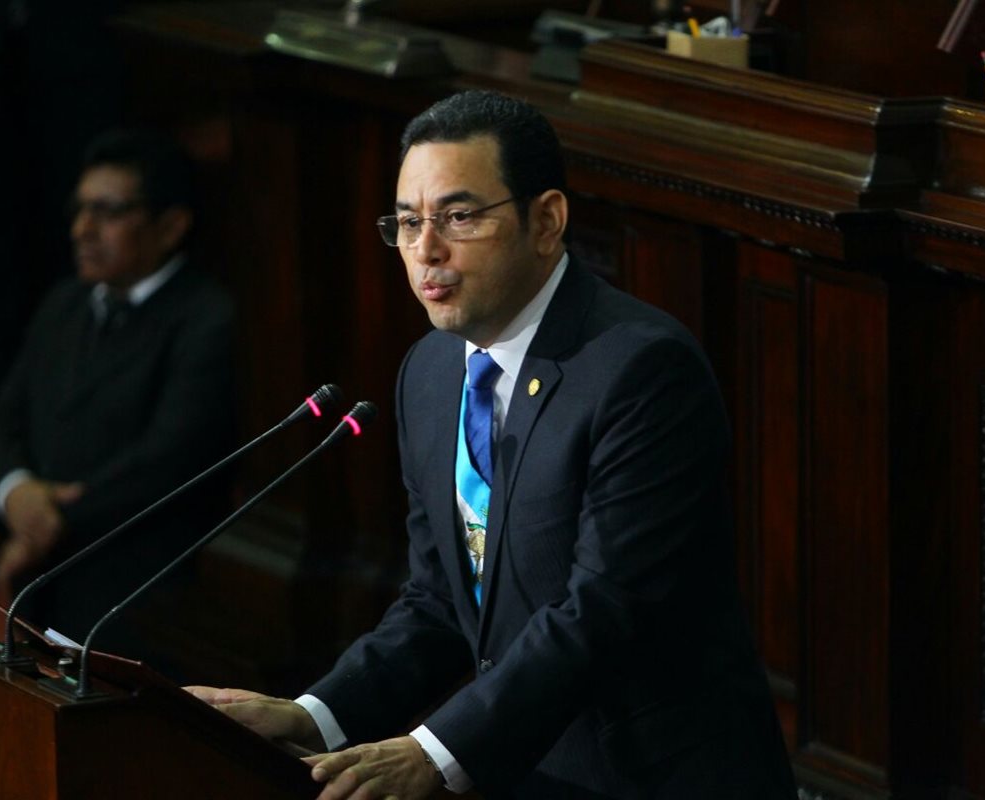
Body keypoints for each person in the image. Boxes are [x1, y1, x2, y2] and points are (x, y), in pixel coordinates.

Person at [189, 90, 795, 799]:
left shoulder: (640, 370)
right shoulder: (433, 372)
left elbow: (602, 608)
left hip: (650, 777)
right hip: (521, 771)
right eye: (409, 222)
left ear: (546, 221)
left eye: (458, 216)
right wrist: (315, 716)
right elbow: (440, 600)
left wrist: (432, 751)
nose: (425, 249)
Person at [0, 128, 237, 654]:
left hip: (138, 593)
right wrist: (15, 491)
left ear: (170, 225)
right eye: (80, 208)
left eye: (108, 211)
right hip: (43, 572)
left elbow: (170, 460)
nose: (81, 229)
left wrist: (50, 521)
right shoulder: (65, 303)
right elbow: (3, 420)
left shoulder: (208, 318)